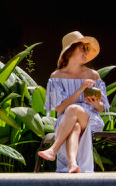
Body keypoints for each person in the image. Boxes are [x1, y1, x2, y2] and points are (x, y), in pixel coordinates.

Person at [37, 31, 109, 173]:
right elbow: (59, 109)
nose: (86, 52)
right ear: (70, 51)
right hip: (66, 120)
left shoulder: (92, 74)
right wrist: (81, 89)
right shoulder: (56, 76)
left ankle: (53, 149)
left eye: (87, 49)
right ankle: (72, 164)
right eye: (83, 48)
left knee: (73, 110)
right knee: (74, 125)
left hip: (90, 119)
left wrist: (95, 103)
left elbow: (102, 107)